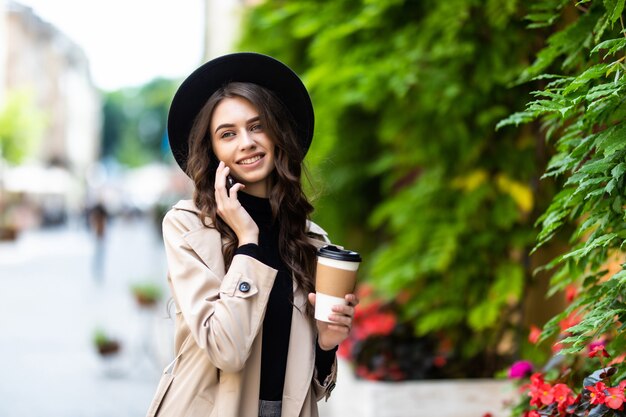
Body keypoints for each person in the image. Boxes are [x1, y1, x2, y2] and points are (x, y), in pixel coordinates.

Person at [146, 53, 359, 417]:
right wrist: (248, 240)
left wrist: (327, 344)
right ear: (212, 150)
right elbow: (225, 349)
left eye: (257, 126)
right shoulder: (188, 227)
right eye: (227, 134)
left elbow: (312, 387)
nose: (246, 142)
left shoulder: (311, 240)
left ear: (277, 134)